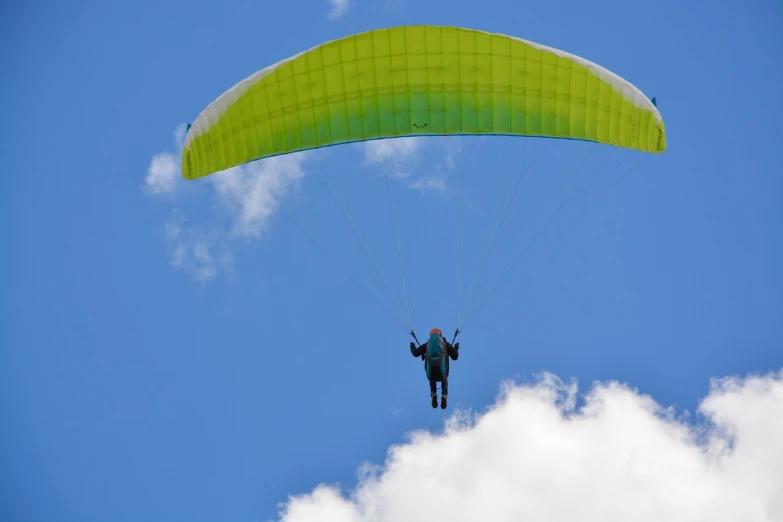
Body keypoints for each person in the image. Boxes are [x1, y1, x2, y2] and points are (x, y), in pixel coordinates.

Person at [410, 328, 459, 409]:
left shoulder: (427, 345)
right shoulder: (444, 343)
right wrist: (456, 349)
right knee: (444, 376)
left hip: (431, 373)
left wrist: (412, 346)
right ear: (440, 334)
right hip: (443, 372)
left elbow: (415, 353)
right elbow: (455, 357)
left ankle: (433, 393)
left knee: (432, 374)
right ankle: (444, 395)